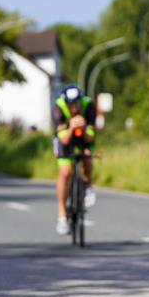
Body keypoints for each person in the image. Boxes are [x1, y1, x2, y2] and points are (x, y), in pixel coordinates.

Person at [53, 84, 97, 234]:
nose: (74, 107)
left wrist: (84, 128)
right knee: (65, 172)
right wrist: (71, 127)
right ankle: (62, 216)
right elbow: (63, 140)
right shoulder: (58, 109)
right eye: (71, 104)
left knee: (87, 156)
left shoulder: (89, 106)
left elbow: (90, 139)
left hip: (83, 137)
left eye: (76, 103)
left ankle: (88, 186)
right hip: (65, 137)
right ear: (65, 102)